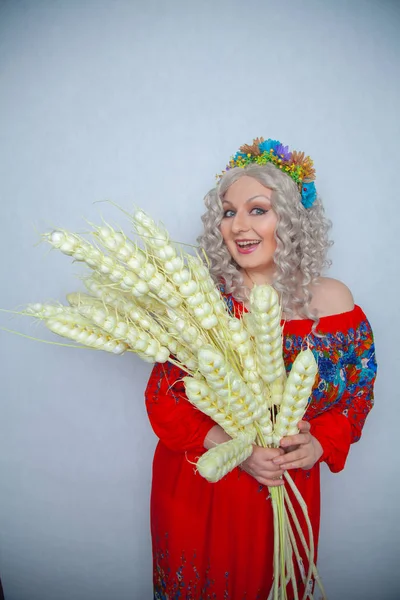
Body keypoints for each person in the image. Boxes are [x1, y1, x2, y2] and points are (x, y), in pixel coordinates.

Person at [145, 137, 377, 599]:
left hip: (285, 490)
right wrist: (237, 450)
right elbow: (163, 401)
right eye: (228, 212)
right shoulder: (202, 303)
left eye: (257, 209)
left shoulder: (335, 303)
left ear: (291, 220)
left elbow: (357, 395)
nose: (238, 226)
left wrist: (318, 446)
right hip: (205, 487)